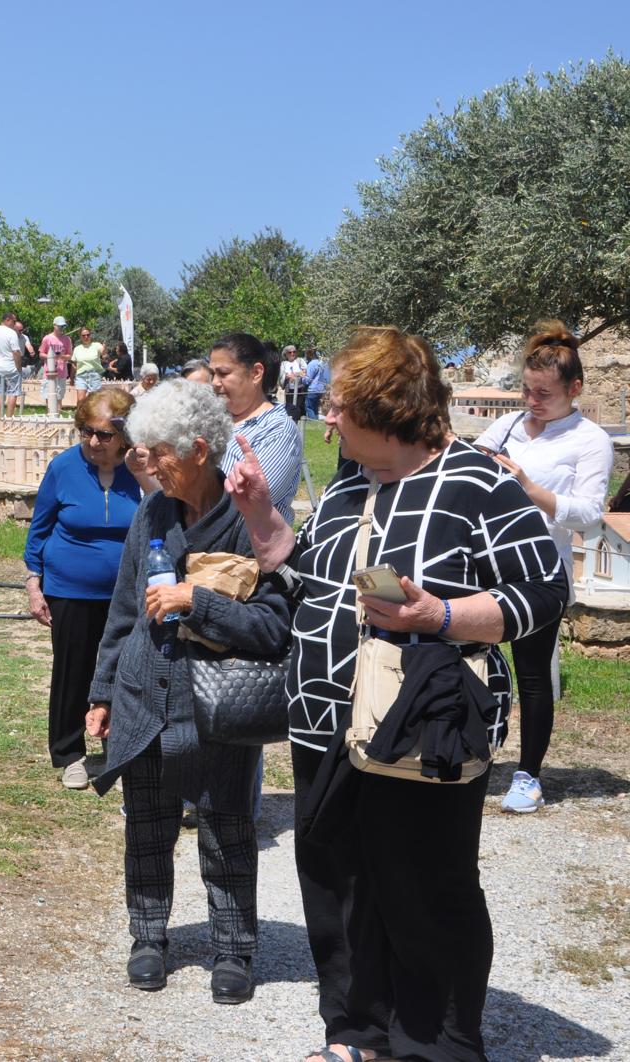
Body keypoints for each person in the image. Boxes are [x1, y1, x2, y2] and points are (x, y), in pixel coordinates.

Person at [226, 326, 568, 1062]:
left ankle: (437, 1043)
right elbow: (303, 574)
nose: (325, 417)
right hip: (324, 720)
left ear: (385, 409)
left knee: (426, 887)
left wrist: (438, 616)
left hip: (423, 724)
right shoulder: (350, 483)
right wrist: (259, 516)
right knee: (337, 883)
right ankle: (357, 1033)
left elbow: (543, 591)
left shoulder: (478, 483)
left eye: (339, 405)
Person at [85, 379, 292, 1005]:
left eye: (159, 452)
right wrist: (102, 693)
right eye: (143, 451)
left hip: (216, 708)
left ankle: (234, 949)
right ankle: (148, 937)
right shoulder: (152, 512)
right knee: (147, 826)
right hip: (145, 695)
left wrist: (197, 602)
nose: (148, 463)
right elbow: (124, 610)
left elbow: (274, 626)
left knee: (227, 829)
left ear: (199, 450)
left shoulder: (250, 519)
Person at [473, 320, 612, 815]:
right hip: (486, 563)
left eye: (544, 394)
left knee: (533, 676)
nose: (532, 402)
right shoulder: (509, 425)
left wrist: (529, 488)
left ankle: (528, 774)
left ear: (575, 389)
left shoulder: (591, 440)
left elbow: (589, 513)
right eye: (527, 391)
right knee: (468, 658)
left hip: (540, 570)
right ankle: (466, 752)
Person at [26, 388, 143, 790]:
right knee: (72, 672)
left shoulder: (140, 470)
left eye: (104, 434)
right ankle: (70, 752)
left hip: (126, 593)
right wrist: (34, 584)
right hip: (70, 589)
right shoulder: (63, 467)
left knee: (125, 672)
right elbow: (40, 528)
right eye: (87, 431)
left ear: (124, 434)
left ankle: (119, 746)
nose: (94, 441)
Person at [209, 332, 301, 521]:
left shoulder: (278, 430)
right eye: (212, 374)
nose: (214, 383)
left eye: (223, 373)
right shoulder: (212, 420)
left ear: (256, 373)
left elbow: (246, 506)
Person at [0, 311, 24, 418]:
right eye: (14, 321)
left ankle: (0, 418)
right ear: (7, 320)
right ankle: (8, 419)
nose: (15, 324)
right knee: (13, 393)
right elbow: (16, 352)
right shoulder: (11, 333)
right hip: (11, 368)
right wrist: (19, 368)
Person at [40, 315, 72, 415]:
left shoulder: (67, 339)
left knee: (59, 397)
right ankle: (49, 416)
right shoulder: (47, 338)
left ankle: (57, 417)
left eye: (63, 326)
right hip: (49, 373)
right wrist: (51, 356)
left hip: (61, 373)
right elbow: (41, 354)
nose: (61, 328)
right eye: (59, 326)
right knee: (48, 396)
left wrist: (62, 357)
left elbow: (70, 355)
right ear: (54, 325)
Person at [71, 329, 104, 402]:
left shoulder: (96, 345)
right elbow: (74, 364)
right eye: (83, 335)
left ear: (90, 335)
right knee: (80, 400)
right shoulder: (77, 349)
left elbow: (103, 352)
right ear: (80, 337)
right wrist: (72, 378)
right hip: (81, 376)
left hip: (94, 375)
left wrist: (104, 350)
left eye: (88, 335)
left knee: (94, 400)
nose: (86, 337)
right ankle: (80, 410)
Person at [303, 350, 329, 419]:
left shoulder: (312, 364)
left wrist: (302, 377)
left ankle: (313, 420)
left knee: (309, 407)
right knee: (315, 408)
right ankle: (316, 420)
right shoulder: (322, 363)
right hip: (321, 389)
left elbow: (308, 379)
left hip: (313, 389)